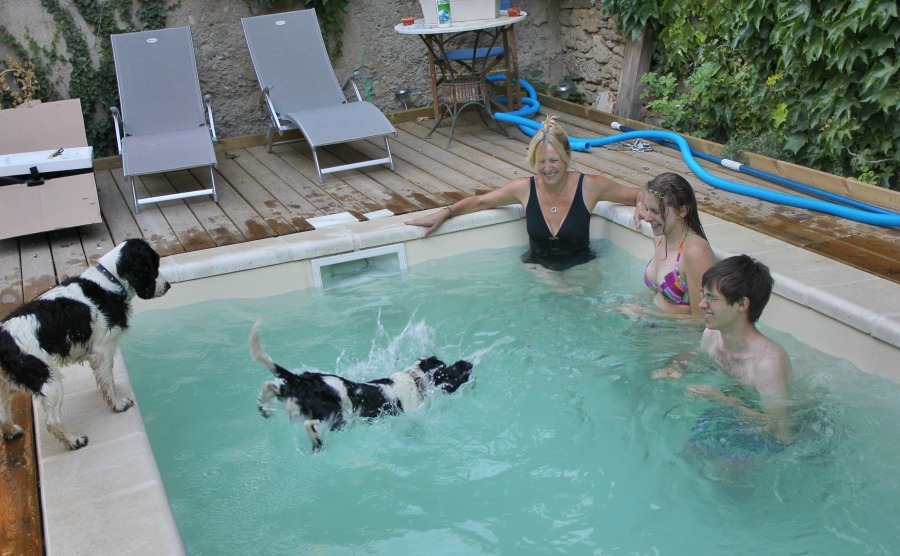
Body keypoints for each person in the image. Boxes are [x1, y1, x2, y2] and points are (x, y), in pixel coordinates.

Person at [404, 116, 641, 271]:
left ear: (567, 157)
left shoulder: (590, 186)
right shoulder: (524, 188)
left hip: (583, 274)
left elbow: (637, 195)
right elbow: (480, 202)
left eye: (553, 160)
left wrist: (642, 207)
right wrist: (446, 212)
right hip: (537, 273)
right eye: (541, 162)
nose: (547, 168)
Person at [654, 255, 795, 446]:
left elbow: (778, 428)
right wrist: (677, 366)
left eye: (711, 298)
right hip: (735, 415)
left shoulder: (767, 364)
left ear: (742, 305)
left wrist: (720, 399)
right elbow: (699, 358)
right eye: (703, 294)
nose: (702, 304)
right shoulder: (712, 336)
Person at [628, 173, 717, 319]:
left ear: (682, 211)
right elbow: (659, 295)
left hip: (678, 338)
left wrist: (645, 313)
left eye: (656, 211)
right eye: (647, 209)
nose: (648, 218)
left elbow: (702, 320)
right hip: (655, 330)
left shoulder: (695, 253)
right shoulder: (661, 239)